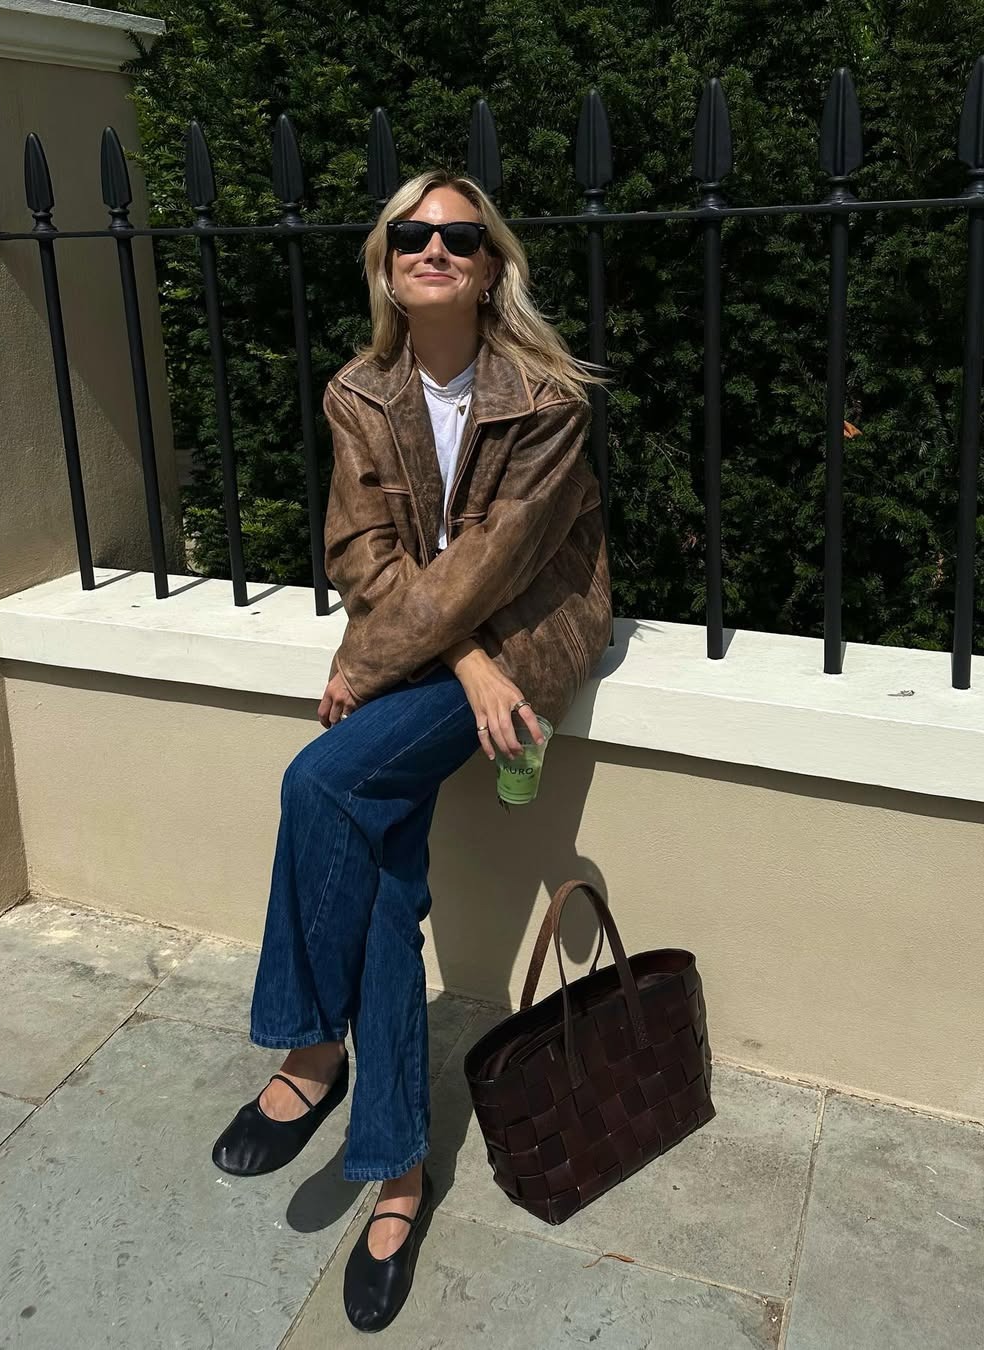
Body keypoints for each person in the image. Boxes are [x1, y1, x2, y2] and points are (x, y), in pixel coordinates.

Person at [211, 168, 614, 1332]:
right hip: (435, 655)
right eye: (410, 233)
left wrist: (432, 661)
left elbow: (491, 569)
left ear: (492, 268)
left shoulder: (545, 397)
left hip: (532, 638)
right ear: (386, 259)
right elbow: (363, 552)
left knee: (320, 777)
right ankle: (397, 1167)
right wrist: (449, 663)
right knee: (384, 872)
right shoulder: (360, 391)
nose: (432, 248)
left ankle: (311, 1051)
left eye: (459, 235)